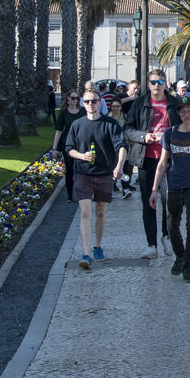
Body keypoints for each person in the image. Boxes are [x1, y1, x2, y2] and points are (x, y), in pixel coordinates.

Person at [63, 88, 127, 269]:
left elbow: (121, 145)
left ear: (100, 103)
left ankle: (97, 245)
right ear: (83, 104)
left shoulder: (110, 124)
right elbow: (69, 148)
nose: (90, 104)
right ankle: (85, 254)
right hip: (82, 173)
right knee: (85, 212)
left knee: (100, 211)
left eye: (94, 101)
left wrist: (119, 165)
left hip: (103, 174)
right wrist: (82, 156)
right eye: (87, 101)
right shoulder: (77, 125)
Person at [151, 97, 190, 283]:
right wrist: (154, 189)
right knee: (171, 226)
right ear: (178, 114)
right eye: (183, 112)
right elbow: (163, 162)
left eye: (189, 111)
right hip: (174, 184)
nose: (186, 115)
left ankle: (188, 266)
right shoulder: (170, 134)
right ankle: (180, 255)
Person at [126, 70, 180, 259]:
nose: (157, 85)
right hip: (146, 158)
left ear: (166, 83)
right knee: (148, 202)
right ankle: (151, 244)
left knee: (168, 201)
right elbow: (128, 129)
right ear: (148, 84)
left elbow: (184, 127)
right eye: (153, 82)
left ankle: (166, 235)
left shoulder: (174, 103)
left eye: (160, 81)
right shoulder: (140, 103)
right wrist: (143, 136)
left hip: (169, 160)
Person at [52, 89, 87, 202]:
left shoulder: (82, 112)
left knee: (82, 169)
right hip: (68, 144)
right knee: (70, 169)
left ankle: (82, 193)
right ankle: (70, 195)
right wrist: (54, 148)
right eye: (73, 98)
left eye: (77, 98)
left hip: (81, 144)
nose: (75, 100)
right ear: (67, 98)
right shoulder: (63, 113)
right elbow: (58, 131)